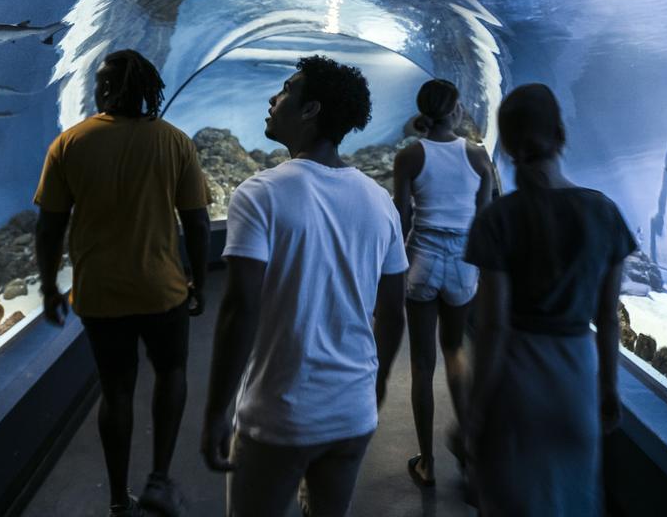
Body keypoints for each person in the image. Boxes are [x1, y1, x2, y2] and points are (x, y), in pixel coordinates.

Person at [201, 55, 408, 517]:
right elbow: (392, 312)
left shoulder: (260, 193)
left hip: (279, 415)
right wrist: (374, 387)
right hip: (353, 413)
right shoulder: (380, 202)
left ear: (311, 109)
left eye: (286, 90)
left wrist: (217, 412)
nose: (273, 99)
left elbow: (240, 308)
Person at [34, 49, 210, 517]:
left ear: (106, 89)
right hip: (162, 290)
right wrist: (200, 280)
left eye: (97, 81)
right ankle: (159, 479)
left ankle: (116, 500)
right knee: (172, 373)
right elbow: (196, 221)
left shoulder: (69, 144)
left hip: (99, 294)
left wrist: (50, 287)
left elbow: (49, 226)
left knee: (116, 391)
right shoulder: (175, 143)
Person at [464, 84, 634, 516]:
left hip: (516, 382)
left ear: (506, 142)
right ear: (560, 133)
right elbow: (608, 318)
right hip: (576, 382)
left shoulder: (496, 219)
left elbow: (493, 326)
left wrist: (475, 409)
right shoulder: (605, 213)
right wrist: (608, 389)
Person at [391, 79, 493, 487]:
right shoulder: (478, 156)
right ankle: (468, 451)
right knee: (455, 351)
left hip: (422, 262)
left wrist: (389, 269)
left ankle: (428, 462)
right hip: (463, 265)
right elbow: (484, 224)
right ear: (457, 110)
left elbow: (399, 217)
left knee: (421, 364)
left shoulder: (409, 156)